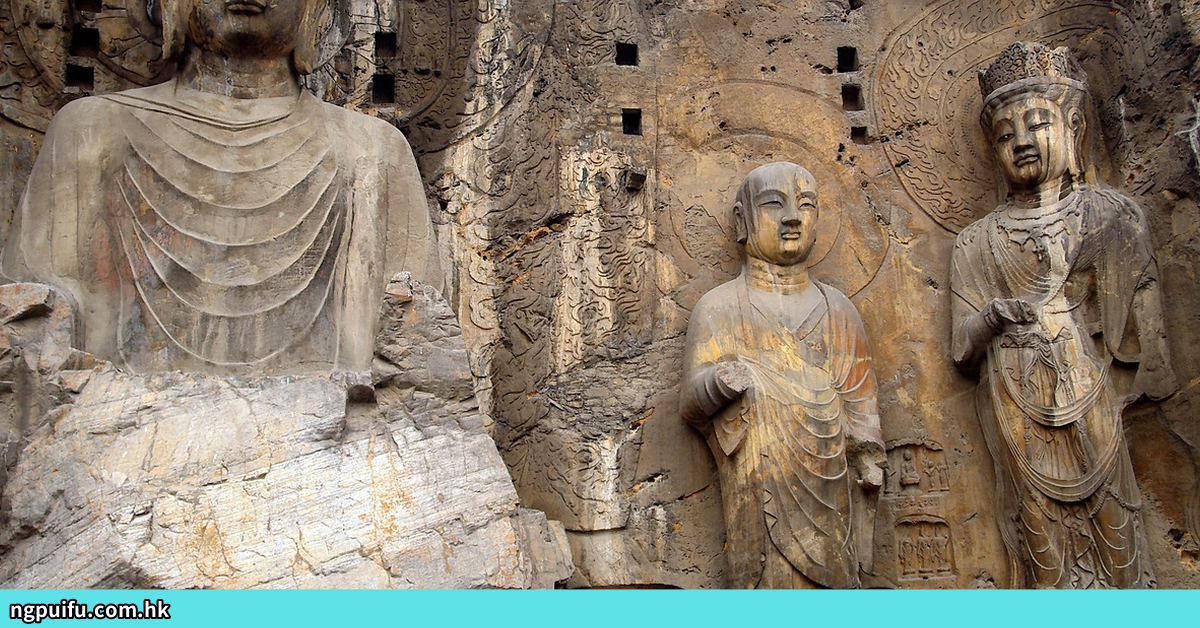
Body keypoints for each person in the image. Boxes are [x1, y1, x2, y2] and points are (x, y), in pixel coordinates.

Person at [1, 0, 441, 375]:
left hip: (331, 432)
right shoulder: (91, 129)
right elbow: (36, 317)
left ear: (314, 10)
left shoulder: (372, 149)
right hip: (115, 423)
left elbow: (417, 337)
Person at [950, 42, 1176, 588]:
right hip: (1015, 398)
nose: (1021, 142)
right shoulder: (975, 241)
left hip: (1089, 386)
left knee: (1115, 518)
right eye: (1005, 135)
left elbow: (1145, 326)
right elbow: (960, 345)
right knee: (1037, 533)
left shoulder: (1110, 215)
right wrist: (991, 318)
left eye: (1036, 125)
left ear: (1072, 128)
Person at [680, 162, 885, 589]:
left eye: (806, 205)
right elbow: (690, 404)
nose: (793, 217)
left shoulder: (838, 310)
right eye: (774, 204)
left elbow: (860, 399)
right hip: (757, 483)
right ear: (742, 221)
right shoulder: (720, 307)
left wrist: (868, 454)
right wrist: (721, 382)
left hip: (831, 486)